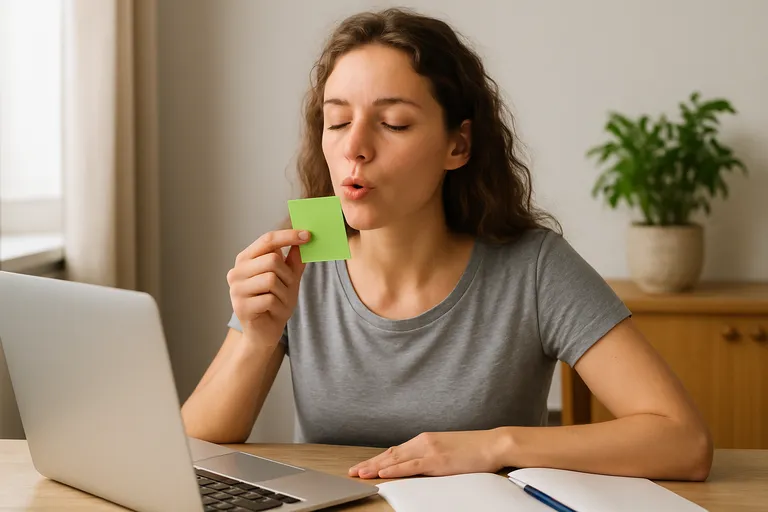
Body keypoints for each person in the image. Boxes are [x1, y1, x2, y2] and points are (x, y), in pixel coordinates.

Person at [181, 8, 713, 482]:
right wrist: (256, 338)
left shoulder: (534, 267)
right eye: (337, 120)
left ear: (457, 145)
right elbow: (188, 451)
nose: (354, 147)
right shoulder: (305, 259)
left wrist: (496, 446)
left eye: (393, 123)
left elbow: (683, 442)